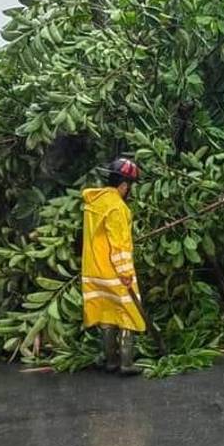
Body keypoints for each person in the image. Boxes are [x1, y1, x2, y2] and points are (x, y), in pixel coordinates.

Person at [81, 157, 145, 375]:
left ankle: (110, 361)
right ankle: (126, 363)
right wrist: (125, 272)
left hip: (93, 270)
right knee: (128, 313)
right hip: (113, 271)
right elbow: (120, 245)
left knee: (106, 314)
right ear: (124, 185)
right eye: (131, 186)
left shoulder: (93, 203)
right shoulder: (117, 208)